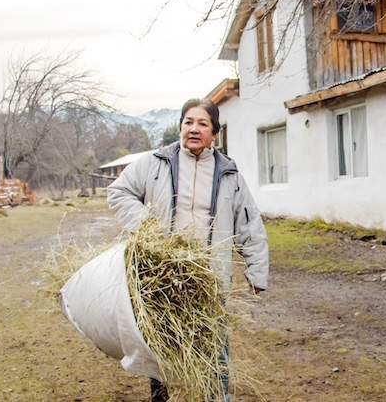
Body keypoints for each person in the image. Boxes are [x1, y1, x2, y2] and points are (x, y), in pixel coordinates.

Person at [106, 98, 269, 402]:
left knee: (214, 349)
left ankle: (216, 396)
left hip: (209, 281)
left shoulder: (229, 174)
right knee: (160, 347)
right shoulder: (155, 163)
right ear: (180, 127)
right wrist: (146, 224)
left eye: (202, 123)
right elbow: (119, 193)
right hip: (161, 277)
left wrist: (256, 271)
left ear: (214, 133)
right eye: (188, 122)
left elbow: (249, 224)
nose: (194, 129)